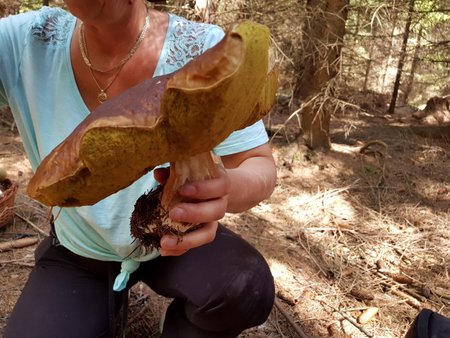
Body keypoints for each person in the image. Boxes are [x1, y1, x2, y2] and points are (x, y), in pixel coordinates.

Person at [0, 1, 277, 337]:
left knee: (246, 287)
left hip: (176, 243)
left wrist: (222, 188)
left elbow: (260, 166)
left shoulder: (208, 49)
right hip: (79, 248)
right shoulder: (21, 42)